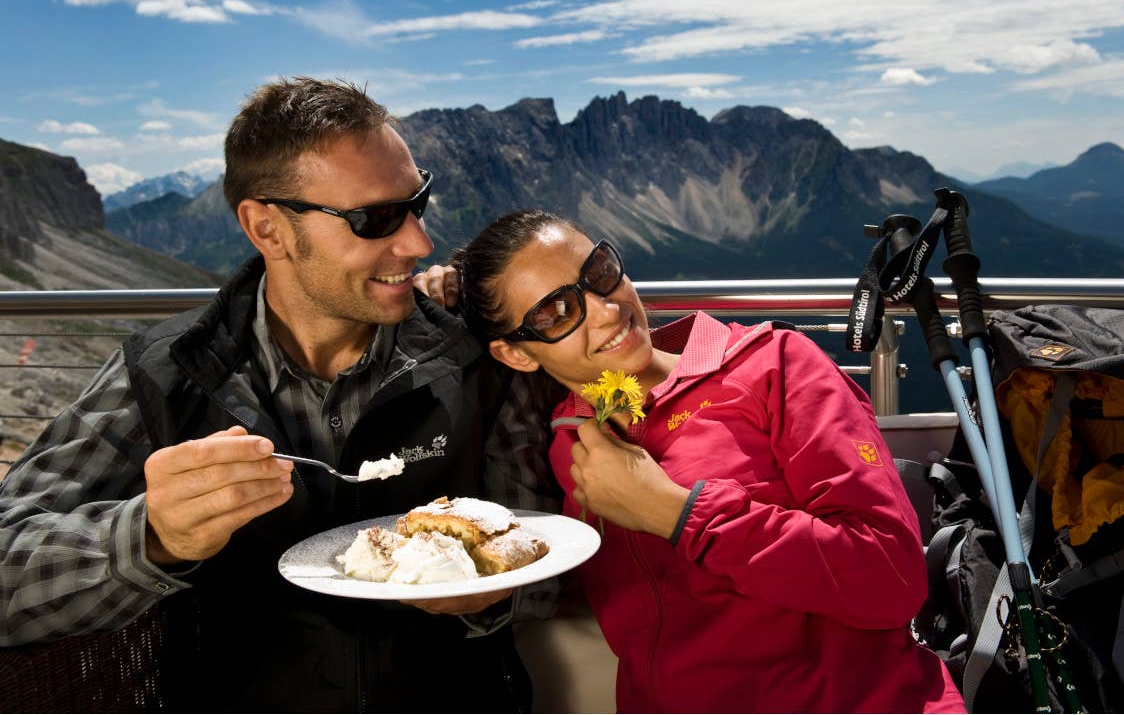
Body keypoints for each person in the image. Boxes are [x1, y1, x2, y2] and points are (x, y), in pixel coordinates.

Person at [0, 78, 558, 712]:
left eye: (417, 203)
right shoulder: (162, 374)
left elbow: (540, 548)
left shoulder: (474, 355)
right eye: (374, 218)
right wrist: (150, 536)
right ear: (267, 229)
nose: (418, 243)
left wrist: (490, 597)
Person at [453, 210, 966, 713]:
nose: (607, 309)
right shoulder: (568, 439)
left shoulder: (775, 364)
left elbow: (892, 581)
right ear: (516, 355)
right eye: (554, 313)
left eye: (601, 273)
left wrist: (680, 514)